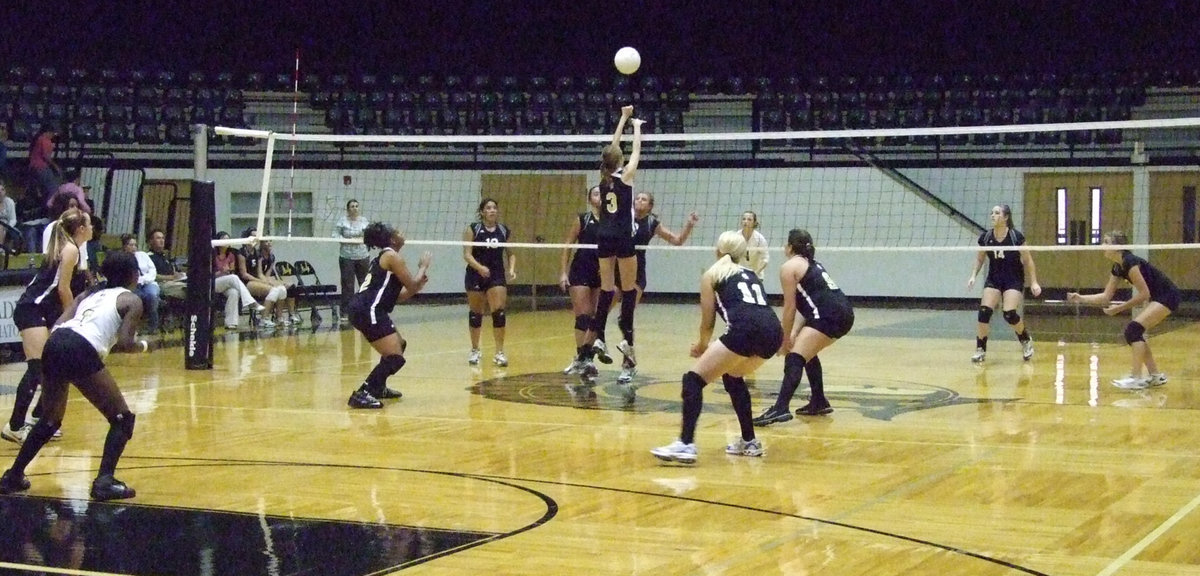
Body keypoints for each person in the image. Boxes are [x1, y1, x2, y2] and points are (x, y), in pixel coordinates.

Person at [0, 251, 152, 501]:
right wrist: (144, 346)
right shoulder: (131, 300)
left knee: (50, 420)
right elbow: (126, 343)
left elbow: (59, 324)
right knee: (122, 418)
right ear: (134, 275)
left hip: (55, 342)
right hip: (79, 348)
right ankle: (104, 481)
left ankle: (13, 476)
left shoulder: (88, 294)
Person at [650, 231, 782, 464]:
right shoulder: (752, 274)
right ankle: (749, 441)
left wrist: (702, 345)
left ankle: (685, 444)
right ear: (742, 253)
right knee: (732, 376)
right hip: (774, 332)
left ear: (717, 250)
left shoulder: (712, 275)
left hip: (745, 330)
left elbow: (708, 322)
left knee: (693, 380)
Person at [2, 208, 91, 445]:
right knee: (37, 369)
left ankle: (38, 418)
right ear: (81, 229)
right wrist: (73, 319)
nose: (93, 228)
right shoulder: (70, 249)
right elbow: (63, 289)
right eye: (89, 224)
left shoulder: (72, 248)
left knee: (57, 366)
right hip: (31, 309)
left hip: (44, 311)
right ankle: (15, 426)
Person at [753, 229, 855, 425]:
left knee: (794, 357)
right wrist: (793, 333)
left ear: (790, 247)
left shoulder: (789, 267)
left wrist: (784, 340)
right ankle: (819, 400)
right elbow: (806, 305)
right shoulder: (813, 264)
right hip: (843, 312)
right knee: (807, 351)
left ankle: (780, 408)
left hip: (827, 315)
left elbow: (790, 308)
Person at [602, 191, 699, 383]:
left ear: (650, 205)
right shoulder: (623, 217)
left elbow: (677, 240)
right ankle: (587, 355)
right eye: (637, 198)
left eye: (643, 199)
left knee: (625, 318)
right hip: (617, 271)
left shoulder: (652, 223)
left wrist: (689, 225)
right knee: (601, 312)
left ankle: (628, 365)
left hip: (636, 273)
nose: (639, 201)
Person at [1067, 231, 1180, 390]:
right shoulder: (1118, 267)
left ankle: (1136, 378)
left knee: (1133, 330)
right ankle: (1155, 375)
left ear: (1118, 246)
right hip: (1160, 296)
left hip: (1168, 295)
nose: (1102, 245)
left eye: (1107, 242)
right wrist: (1080, 298)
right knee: (1135, 332)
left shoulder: (1130, 262)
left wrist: (1119, 308)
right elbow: (1106, 296)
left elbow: (1144, 294)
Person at [346, 222, 431, 409]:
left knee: (400, 345)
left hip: (367, 308)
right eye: (398, 231)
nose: (402, 232)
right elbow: (411, 284)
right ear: (392, 239)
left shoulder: (385, 257)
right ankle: (363, 393)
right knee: (395, 357)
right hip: (367, 309)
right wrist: (423, 267)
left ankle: (378, 387)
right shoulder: (392, 256)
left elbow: (397, 297)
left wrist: (417, 285)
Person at [590, 105, 645, 372]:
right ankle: (627, 339)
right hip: (623, 236)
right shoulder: (626, 176)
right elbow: (635, 152)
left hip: (604, 236)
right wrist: (637, 127)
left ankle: (599, 337)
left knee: (606, 288)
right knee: (629, 289)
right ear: (619, 161)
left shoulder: (603, 178)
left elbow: (613, 147)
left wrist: (622, 117)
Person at [966, 204, 1041, 363]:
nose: (993, 215)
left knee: (1009, 313)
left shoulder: (1015, 237)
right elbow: (980, 259)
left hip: (1013, 279)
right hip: (994, 278)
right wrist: (973, 276)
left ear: (1006, 217)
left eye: (997, 213)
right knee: (984, 312)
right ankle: (980, 349)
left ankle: (1025, 339)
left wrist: (1034, 282)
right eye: (992, 213)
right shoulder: (986, 237)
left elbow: (1028, 260)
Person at [462, 198, 516, 367]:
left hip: (496, 275)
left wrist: (511, 269)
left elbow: (511, 253)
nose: (492, 210)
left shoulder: (503, 230)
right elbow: (467, 254)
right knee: (475, 313)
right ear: (482, 212)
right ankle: (475, 350)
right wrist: (480, 268)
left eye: (494, 208)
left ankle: (499, 352)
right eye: (488, 208)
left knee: (499, 312)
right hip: (475, 274)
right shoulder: (473, 229)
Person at [559, 185, 603, 379]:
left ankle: (588, 359)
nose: (599, 196)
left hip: (602, 271)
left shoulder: (613, 220)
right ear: (589, 199)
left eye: (602, 193)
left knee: (595, 318)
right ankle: (580, 357)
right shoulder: (583, 219)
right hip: (581, 269)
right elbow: (567, 245)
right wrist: (563, 272)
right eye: (596, 193)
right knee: (582, 316)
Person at [236, 228, 289, 329]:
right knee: (273, 291)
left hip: (257, 281)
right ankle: (264, 319)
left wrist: (268, 281)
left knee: (282, 289)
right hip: (246, 283)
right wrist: (261, 282)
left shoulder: (257, 253)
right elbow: (244, 274)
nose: (255, 239)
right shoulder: (242, 252)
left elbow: (260, 273)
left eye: (257, 237)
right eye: (253, 236)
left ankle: (279, 318)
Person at [213, 231, 265, 330]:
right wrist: (221, 272)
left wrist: (228, 271)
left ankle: (231, 323)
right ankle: (251, 302)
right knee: (234, 278)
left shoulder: (231, 255)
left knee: (234, 292)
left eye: (228, 239)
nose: (227, 241)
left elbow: (231, 272)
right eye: (224, 239)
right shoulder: (212, 255)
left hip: (226, 282)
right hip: (213, 282)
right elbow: (208, 275)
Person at [335, 199, 370, 324]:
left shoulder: (364, 221)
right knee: (347, 285)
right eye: (352, 206)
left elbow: (368, 236)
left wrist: (360, 238)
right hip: (347, 257)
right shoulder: (342, 221)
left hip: (362, 256)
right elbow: (335, 235)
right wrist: (347, 239)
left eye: (356, 206)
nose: (354, 208)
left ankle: (365, 310)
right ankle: (345, 312)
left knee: (364, 284)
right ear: (348, 209)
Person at [253, 237, 300, 327]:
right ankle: (266, 318)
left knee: (290, 286)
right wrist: (271, 283)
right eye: (266, 241)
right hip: (257, 280)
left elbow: (268, 274)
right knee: (278, 288)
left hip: (266, 278)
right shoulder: (258, 255)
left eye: (270, 241)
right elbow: (260, 275)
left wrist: (276, 282)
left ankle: (290, 315)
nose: (269, 243)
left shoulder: (271, 256)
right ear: (261, 243)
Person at [120, 234, 162, 334]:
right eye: (131, 245)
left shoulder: (143, 255)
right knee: (138, 298)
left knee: (152, 295)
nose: (134, 247)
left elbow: (152, 271)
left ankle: (153, 326)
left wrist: (143, 279)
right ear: (125, 246)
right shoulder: (122, 258)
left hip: (148, 282)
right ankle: (134, 327)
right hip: (132, 285)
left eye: (135, 245)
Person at [146, 228, 187, 300]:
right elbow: (151, 276)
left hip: (174, 282)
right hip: (162, 284)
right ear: (151, 241)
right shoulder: (148, 257)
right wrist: (171, 277)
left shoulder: (164, 257)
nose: (162, 241)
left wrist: (178, 274)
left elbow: (171, 271)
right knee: (189, 289)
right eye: (158, 238)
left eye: (163, 238)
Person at [27, 124, 62, 205]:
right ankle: (49, 206)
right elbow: (46, 156)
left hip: (34, 167)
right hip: (41, 167)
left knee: (43, 189)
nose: (53, 136)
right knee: (53, 188)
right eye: (53, 133)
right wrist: (55, 166)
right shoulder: (45, 141)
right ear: (48, 132)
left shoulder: (38, 139)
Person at [737, 211, 769, 277]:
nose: (746, 221)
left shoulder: (760, 239)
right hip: (739, 274)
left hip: (756, 274)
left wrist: (755, 273)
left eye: (749, 219)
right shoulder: (736, 237)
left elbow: (765, 259)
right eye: (744, 219)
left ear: (754, 223)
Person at [0, 181, 16, 246]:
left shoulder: (9, 202)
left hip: (7, 225)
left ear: (5, 191)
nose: (0, 192)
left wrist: (8, 227)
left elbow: (13, 219)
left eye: (2, 190)